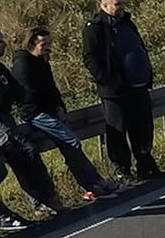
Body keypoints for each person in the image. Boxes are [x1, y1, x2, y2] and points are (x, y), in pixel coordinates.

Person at [9, 28, 118, 201]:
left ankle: (94, 184)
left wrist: (59, 106)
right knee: (71, 142)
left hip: (49, 111)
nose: (48, 47)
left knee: (70, 146)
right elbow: (29, 93)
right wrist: (51, 108)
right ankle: (92, 185)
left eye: (49, 44)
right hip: (36, 113)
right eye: (44, 44)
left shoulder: (42, 60)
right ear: (32, 44)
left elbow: (51, 87)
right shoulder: (24, 63)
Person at [81, 0, 159, 180]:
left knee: (143, 127)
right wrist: (107, 79)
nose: (122, 8)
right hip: (115, 90)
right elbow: (90, 57)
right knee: (117, 130)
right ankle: (122, 169)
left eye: (123, 4)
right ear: (105, 5)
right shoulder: (96, 28)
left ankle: (145, 163)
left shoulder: (127, 22)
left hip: (138, 86)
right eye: (117, 4)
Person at [0, 30, 67, 218]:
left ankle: (45, 199)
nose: (4, 45)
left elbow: (19, 92)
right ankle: (41, 201)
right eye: (0, 42)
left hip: (6, 117)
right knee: (23, 151)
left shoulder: (0, 69)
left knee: (27, 153)